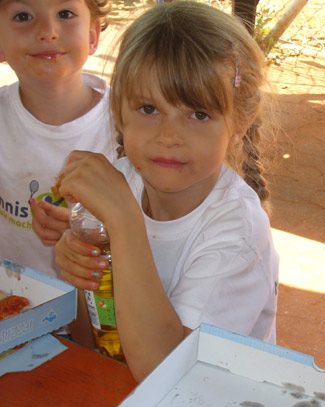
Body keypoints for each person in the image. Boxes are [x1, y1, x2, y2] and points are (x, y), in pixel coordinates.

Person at [53, 1, 279, 382]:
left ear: (239, 125)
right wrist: (80, 276)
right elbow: (91, 338)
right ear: (119, 113)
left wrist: (124, 220)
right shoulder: (120, 182)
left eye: (199, 114)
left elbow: (169, 373)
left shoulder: (237, 230)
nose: (169, 136)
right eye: (147, 108)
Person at [0, 0, 117, 278]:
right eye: (23, 15)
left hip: (102, 310)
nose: (48, 31)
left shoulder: (129, 123)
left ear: (92, 35)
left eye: (65, 14)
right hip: (16, 308)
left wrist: (85, 235)